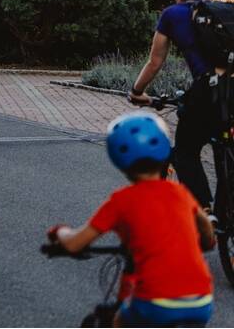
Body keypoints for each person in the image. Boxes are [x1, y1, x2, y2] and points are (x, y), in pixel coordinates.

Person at [48, 111, 214, 328]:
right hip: (201, 300)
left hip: (155, 302)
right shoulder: (180, 193)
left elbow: (75, 243)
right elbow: (205, 228)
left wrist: (60, 233)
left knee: (120, 321)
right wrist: (206, 241)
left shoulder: (121, 201)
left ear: (119, 160)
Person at [129, 0, 216, 211]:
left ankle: (204, 210)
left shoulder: (172, 14)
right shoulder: (224, 12)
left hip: (207, 89)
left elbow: (155, 62)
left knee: (186, 152)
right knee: (224, 143)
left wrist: (137, 91)